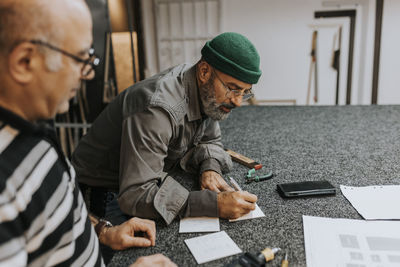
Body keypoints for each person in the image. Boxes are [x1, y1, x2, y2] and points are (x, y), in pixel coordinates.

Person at [0, 0, 175, 266]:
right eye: (81, 59)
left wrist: (102, 231)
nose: (89, 73)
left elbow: (53, 222)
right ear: (24, 61)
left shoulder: (33, 127)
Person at [72, 32, 262, 225]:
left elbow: (210, 140)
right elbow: (135, 195)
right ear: (204, 72)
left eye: (245, 92)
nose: (238, 102)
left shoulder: (206, 91)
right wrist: (213, 204)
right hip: (102, 193)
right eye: (233, 89)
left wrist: (210, 168)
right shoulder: (157, 108)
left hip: (147, 178)